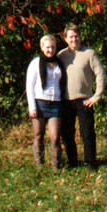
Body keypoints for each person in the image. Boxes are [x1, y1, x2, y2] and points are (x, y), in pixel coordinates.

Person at [58, 23, 105, 170]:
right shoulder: (61, 55)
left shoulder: (89, 54)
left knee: (87, 133)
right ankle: (73, 162)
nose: (74, 39)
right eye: (71, 37)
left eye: (76, 36)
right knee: (67, 134)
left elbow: (101, 74)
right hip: (66, 101)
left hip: (85, 100)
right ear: (65, 39)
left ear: (80, 37)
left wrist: (97, 95)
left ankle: (90, 162)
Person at [25, 33, 66, 171]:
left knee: (55, 137)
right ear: (42, 47)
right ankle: (40, 165)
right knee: (39, 134)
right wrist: (32, 107)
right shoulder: (36, 63)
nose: (50, 50)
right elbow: (29, 86)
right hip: (40, 103)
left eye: (53, 47)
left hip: (56, 103)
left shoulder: (59, 62)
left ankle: (56, 167)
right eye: (48, 47)